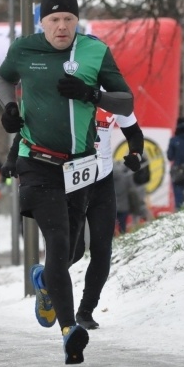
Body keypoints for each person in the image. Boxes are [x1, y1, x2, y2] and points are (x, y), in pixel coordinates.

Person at [0, 0, 133, 364]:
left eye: (68, 18)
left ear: (77, 19)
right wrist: (9, 108)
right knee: (57, 242)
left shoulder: (94, 51)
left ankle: (44, 282)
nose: (61, 27)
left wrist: (93, 95)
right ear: (42, 21)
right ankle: (70, 329)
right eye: (54, 19)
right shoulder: (24, 50)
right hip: (36, 162)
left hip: (80, 166)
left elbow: (126, 100)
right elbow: (3, 78)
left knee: (74, 248)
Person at [70, 109, 145, 329]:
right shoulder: (69, 89)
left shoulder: (112, 94)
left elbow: (134, 132)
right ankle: (46, 281)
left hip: (103, 182)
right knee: (74, 249)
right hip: (73, 180)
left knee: (103, 249)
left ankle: (86, 311)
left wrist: (136, 153)